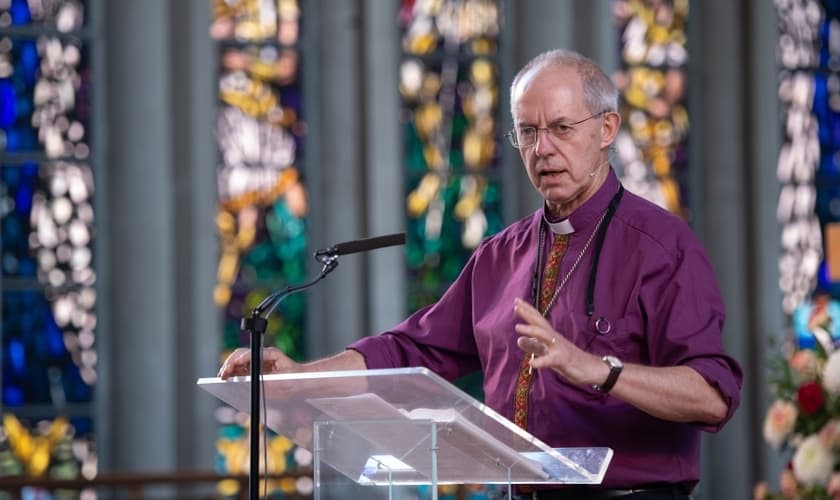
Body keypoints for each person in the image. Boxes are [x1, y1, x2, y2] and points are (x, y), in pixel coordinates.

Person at [219, 48, 743, 500]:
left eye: (562, 128)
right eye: (528, 133)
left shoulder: (662, 246)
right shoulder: (500, 255)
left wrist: (597, 370)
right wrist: (299, 377)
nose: (543, 150)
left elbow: (712, 396)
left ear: (607, 129)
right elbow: (408, 351)